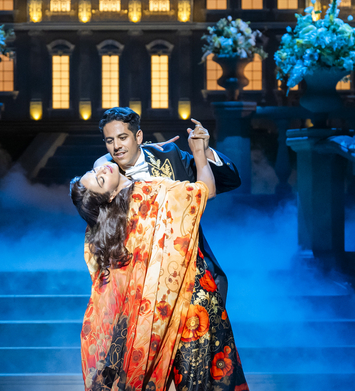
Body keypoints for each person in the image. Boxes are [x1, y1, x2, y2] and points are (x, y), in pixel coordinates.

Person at [70, 125, 248, 391]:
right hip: (187, 302)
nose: (102, 169)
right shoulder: (151, 192)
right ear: (108, 196)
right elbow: (204, 192)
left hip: (157, 312)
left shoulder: (107, 228)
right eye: (98, 178)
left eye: (94, 171)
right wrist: (198, 152)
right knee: (200, 382)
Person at [93, 107, 240, 305]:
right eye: (110, 141)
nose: (117, 146)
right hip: (137, 280)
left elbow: (227, 181)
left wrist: (204, 151)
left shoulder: (168, 155)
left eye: (123, 137)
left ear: (138, 136)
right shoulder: (107, 176)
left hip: (189, 270)